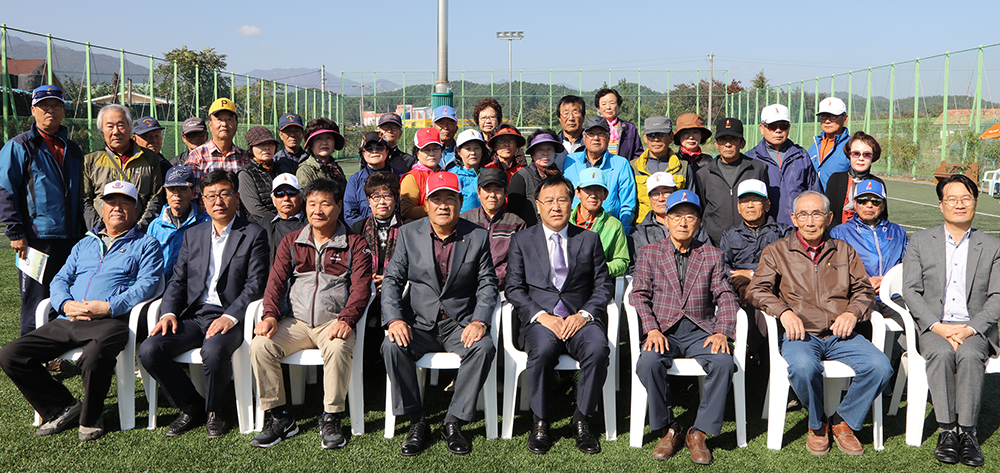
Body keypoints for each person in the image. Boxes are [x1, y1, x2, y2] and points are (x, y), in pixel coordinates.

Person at [0, 180, 162, 441]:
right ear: (102, 207)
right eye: (111, 202)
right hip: (68, 318)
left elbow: (148, 285)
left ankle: (91, 415)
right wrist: (64, 304)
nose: (117, 208)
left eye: (125, 203)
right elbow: (60, 279)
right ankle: (62, 406)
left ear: (135, 208)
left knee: (94, 355)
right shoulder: (84, 244)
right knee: (11, 354)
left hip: (110, 321)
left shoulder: (146, 244)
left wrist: (109, 307)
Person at [747, 190, 892, 457]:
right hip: (801, 334)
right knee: (803, 368)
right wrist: (783, 312)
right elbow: (756, 290)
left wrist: (852, 313)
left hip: (841, 335)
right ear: (794, 218)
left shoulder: (845, 251)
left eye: (817, 214)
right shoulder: (777, 251)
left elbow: (864, 290)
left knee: (881, 367)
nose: (810, 221)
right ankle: (817, 425)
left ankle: (843, 421)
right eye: (803, 214)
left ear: (829, 217)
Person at [139, 170, 269, 438]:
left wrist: (230, 317)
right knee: (151, 349)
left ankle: (216, 411)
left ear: (236, 197)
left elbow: (256, 284)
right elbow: (178, 281)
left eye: (224, 194)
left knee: (213, 351)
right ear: (203, 201)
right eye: (211, 196)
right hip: (195, 315)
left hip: (230, 316)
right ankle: (191, 404)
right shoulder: (194, 234)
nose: (217, 201)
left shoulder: (254, 233)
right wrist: (169, 313)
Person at [381, 172, 499, 457]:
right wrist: (395, 319)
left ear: (460, 202)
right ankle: (416, 420)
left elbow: (488, 282)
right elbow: (392, 280)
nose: (443, 205)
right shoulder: (409, 234)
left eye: (450, 199)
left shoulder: (478, 236)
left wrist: (479, 319)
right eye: (437, 199)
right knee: (391, 346)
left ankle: (453, 421)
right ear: (426, 204)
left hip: (459, 324)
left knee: (483, 347)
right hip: (419, 324)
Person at [250, 178, 373, 450]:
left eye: (325, 203)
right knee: (261, 345)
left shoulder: (355, 243)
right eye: (312, 203)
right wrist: (269, 314)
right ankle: (280, 417)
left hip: (334, 322)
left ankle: (331, 416)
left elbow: (362, 289)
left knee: (339, 348)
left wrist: (347, 319)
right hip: (296, 323)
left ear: (339, 206)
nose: (318, 210)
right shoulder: (291, 241)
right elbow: (275, 283)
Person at [505, 175, 613, 455]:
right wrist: (541, 316)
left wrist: (585, 314)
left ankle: (581, 420)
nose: (556, 207)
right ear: (537, 206)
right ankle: (540, 421)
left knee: (598, 349)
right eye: (549, 201)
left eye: (562, 200)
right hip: (542, 320)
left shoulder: (588, 239)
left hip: (580, 319)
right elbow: (514, 288)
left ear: (571, 202)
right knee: (540, 351)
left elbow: (604, 285)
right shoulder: (521, 240)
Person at [630, 190, 738, 465]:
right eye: (677, 216)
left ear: (699, 222)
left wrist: (722, 331)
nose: (683, 222)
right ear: (666, 220)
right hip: (663, 329)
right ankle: (670, 427)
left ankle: (699, 431)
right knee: (648, 362)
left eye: (690, 217)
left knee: (724, 363)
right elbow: (639, 294)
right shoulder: (649, 253)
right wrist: (651, 329)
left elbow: (725, 295)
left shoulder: (712, 255)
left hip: (699, 329)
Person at [901, 175, 1000, 467]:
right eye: (952, 199)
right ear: (941, 205)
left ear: (975, 203)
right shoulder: (919, 240)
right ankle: (947, 430)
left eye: (966, 198)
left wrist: (971, 328)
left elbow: (997, 295)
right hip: (935, 326)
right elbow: (910, 290)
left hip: (975, 328)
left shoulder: (992, 246)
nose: (959, 204)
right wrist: (939, 327)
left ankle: (967, 433)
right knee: (941, 352)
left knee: (969, 355)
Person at [0, 85, 85, 336]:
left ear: (63, 111)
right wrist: (15, 233)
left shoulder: (73, 149)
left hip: (72, 238)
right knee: (34, 301)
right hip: (36, 239)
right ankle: (30, 359)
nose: (51, 111)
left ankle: (58, 355)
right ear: (33, 110)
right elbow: (5, 191)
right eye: (45, 106)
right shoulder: (19, 146)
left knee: (65, 297)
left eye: (57, 106)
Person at [718, 179, 793, 353]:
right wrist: (740, 279)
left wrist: (753, 275)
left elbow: (790, 266)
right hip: (739, 293)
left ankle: (760, 353)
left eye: (755, 200)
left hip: (773, 290)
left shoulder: (783, 233)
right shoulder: (729, 235)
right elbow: (722, 266)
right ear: (738, 207)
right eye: (745, 201)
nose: (749, 205)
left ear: (767, 205)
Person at [83, 104, 167, 231]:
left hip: (139, 236)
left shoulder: (149, 158)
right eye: (110, 126)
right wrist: (102, 230)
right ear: (102, 131)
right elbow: (85, 200)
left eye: (121, 125)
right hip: (102, 235)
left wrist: (140, 229)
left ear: (130, 128)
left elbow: (155, 197)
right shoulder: (90, 161)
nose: (116, 131)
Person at [695, 117, 771, 246]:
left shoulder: (758, 168)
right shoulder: (704, 173)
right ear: (716, 144)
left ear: (742, 143)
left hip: (751, 242)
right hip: (714, 243)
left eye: (733, 139)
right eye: (723, 140)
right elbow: (703, 206)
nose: (728, 144)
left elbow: (765, 204)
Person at [563, 115, 638, 235]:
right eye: (591, 133)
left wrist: (622, 231)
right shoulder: (570, 161)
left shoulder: (621, 163)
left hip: (608, 230)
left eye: (601, 134)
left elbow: (627, 204)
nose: (596, 138)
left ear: (608, 137)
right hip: (575, 228)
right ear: (584, 137)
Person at [745, 104, 818, 226]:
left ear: (788, 128)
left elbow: (814, 192)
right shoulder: (751, 159)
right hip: (765, 229)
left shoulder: (801, 155)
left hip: (797, 227)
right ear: (762, 128)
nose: (778, 130)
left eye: (783, 126)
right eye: (772, 126)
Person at [461, 168, 526, 288]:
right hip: (467, 288)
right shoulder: (464, 220)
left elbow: (516, 261)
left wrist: (491, 280)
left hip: (502, 289)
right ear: (478, 192)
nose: (492, 195)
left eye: (497, 190)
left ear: (505, 193)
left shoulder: (516, 223)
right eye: (487, 189)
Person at [147, 166, 211, 282]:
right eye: (172, 189)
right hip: (161, 289)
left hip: (194, 287)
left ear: (192, 192)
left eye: (182, 189)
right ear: (165, 192)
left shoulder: (206, 223)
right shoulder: (155, 226)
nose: (176, 194)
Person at [570, 168, 630, 278]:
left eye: (598, 190)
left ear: (605, 194)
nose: (593, 195)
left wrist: (598, 270)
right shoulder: (565, 220)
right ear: (577, 193)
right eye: (587, 189)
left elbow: (622, 261)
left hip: (598, 284)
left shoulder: (614, 225)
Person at [825, 132, 889, 226]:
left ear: (873, 157)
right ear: (849, 155)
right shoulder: (836, 179)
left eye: (867, 154)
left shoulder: (877, 183)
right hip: (838, 236)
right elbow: (828, 215)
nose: (861, 158)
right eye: (856, 153)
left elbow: (882, 217)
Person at [632, 116, 688, 223]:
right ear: (644, 138)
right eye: (651, 135)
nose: (656, 139)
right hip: (643, 231)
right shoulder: (633, 167)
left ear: (671, 137)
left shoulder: (683, 167)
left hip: (675, 227)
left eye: (661, 135)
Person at [184, 98, 249, 186]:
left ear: (236, 124)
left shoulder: (245, 157)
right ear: (210, 124)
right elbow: (193, 196)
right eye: (219, 119)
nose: (224, 124)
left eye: (229, 119)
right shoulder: (196, 156)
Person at [238, 126, 296, 224]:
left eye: (270, 143)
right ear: (251, 149)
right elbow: (255, 210)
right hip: (261, 227)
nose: (267, 147)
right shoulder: (246, 174)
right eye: (261, 144)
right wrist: (282, 222)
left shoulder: (283, 168)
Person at [344, 131, 403, 227]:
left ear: (387, 150)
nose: (374, 151)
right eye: (369, 148)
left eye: (379, 147)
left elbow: (404, 210)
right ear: (363, 153)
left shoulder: (401, 177)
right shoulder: (354, 180)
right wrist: (370, 228)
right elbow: (350, 214)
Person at [508, 129, 564, 226]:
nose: (545, 153)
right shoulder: (522, 177)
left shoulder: (560, 177)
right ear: (532, 154)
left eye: (550, 149)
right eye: (540, 149)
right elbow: (513, 213)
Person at [399, 128, 445, 222]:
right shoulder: (411, 177)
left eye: (436, 148)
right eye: (426, 150)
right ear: (417, 153)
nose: (431, 153)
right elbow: (407, 211)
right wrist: (435, 208)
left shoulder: (445, 174)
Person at [261, 173, 307, 262]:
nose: (286, 198)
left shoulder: (311, 224)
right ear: (273, 201)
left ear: (301, 198)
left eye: (291, 193)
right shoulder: (264, 225)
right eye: (279, 194)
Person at [807, 97, 851, 190]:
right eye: (823, 116)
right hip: (816, 202)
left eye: (833, 116)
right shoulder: (814, 147)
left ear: (845, 119)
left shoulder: (852, 146)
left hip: (840, 203)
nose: (827, 121)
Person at [297, 117, 347, 190]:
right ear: (311, 144)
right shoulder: (305, 170)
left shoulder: (336, 169)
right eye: (319, 138)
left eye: (329, 138)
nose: (324, 143)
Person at [595, 88, 643, 161]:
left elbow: (638, 154)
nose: (608, 107)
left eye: (612, 103)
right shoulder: (592, 128)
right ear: (598, 108)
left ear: (619, 106)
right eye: (604, 104)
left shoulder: (629, 129)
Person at [447, 129, 487, 213]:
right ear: (459, 152)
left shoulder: (487, 174)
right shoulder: (452, 176)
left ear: (482, 152)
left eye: (476, 148)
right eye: (468, 149)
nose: (473, 152)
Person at [555, 95, 586, 168]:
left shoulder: (591, 144)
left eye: (575, 113)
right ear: (559, 118)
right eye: (566, 113)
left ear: (583, 117)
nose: (571, 118)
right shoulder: (553, 145)